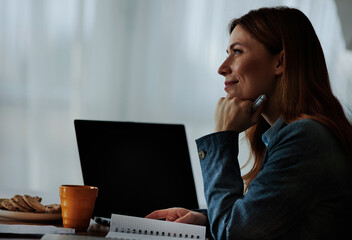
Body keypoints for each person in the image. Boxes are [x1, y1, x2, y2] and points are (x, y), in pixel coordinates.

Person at [146, 6, 352, 240]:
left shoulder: (305, 138)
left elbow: (236, 235)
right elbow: (267, 222)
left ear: (280, 62)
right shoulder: (298, 134)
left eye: (237, 52)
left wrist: (222, 137)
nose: (222, 68)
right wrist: (205, 220)